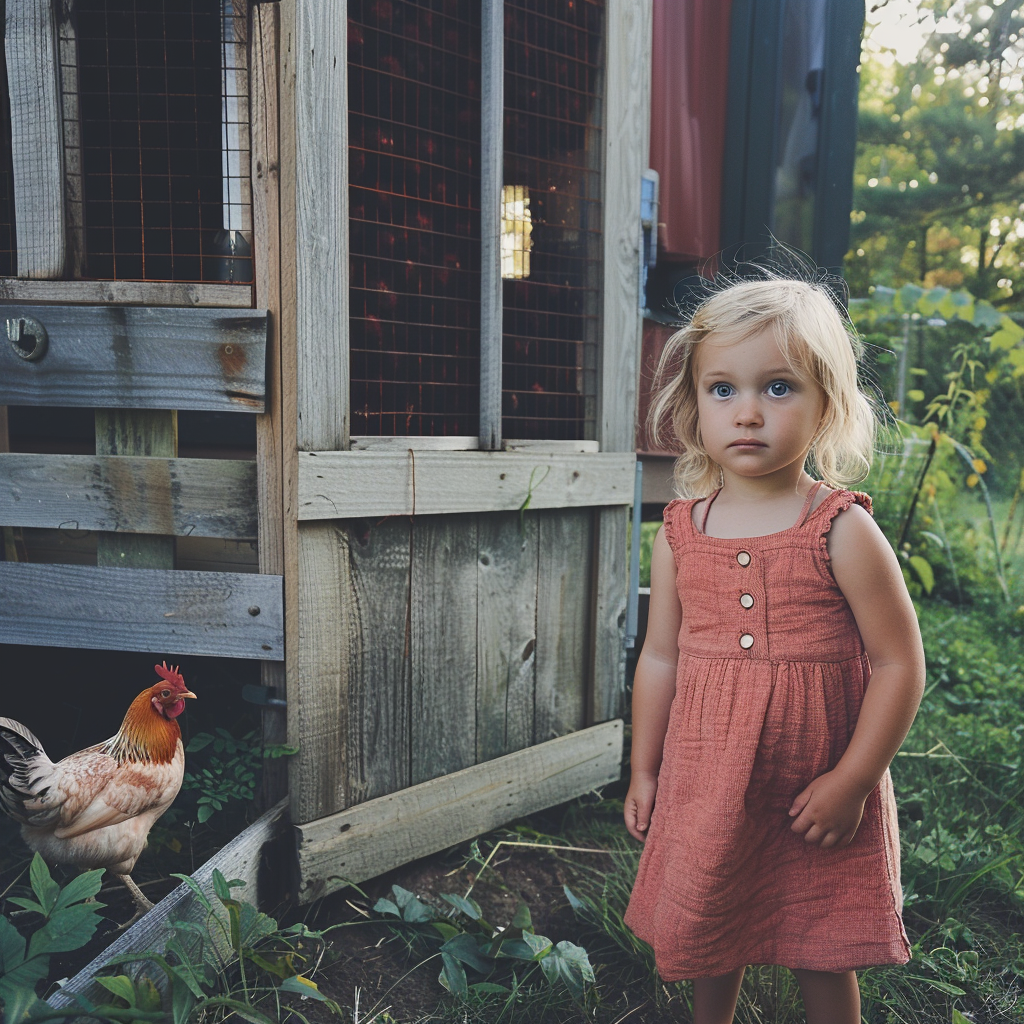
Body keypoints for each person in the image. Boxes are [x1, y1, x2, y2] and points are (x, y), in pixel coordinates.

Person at [623, 277, 926, 1024]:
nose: (749, 411)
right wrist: (645, 766)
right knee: (710, 917)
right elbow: (661, 657)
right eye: (723, 389)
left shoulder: (842, 530)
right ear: (694, 406)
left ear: (827, 405)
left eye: (779, 386)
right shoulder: (680, 532)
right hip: (710, 773)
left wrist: (853, 781)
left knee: (819, 935)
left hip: (812, 787)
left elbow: (899, 664)